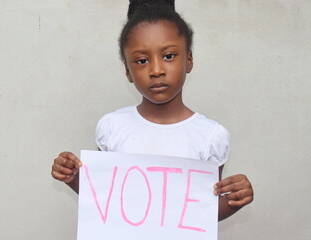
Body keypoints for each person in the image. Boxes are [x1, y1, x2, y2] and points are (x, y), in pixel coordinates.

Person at [51, 0, 253, 221]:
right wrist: (72, 177)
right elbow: (106, 197)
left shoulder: (211, 136)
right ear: (128, 72)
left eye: (168, 56)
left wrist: (235, 200)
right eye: (142, 60)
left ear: (189, 60)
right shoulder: (112, 127)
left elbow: (203, 211)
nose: (156, 70)